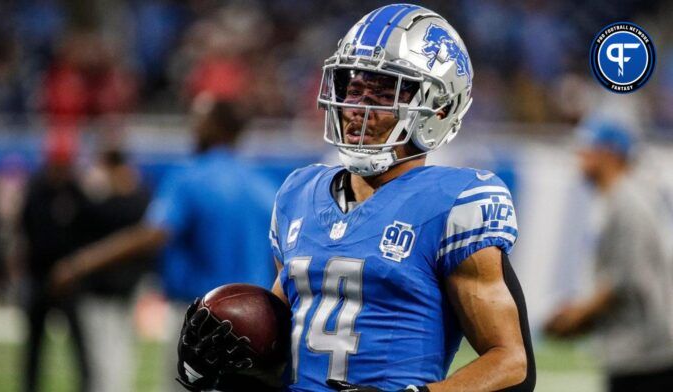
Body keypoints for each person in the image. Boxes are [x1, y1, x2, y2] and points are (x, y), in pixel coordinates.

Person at [176, 4, 535, 392]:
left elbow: (511, 362)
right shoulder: (299, 192)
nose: (357, 108)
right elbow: (285, 339)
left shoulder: (454, 202)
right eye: (354, 88)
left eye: (383, 93)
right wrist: (237, 360)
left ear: (438, 108)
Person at [50, 99, 277, 391]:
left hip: (201, 322)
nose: (193, 127)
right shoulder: (264, 185)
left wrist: (80, 264)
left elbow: (152, 235)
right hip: (254, 328)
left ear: (217, 127)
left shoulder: (190, 176)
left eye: (199, 120)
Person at [544, 118, 673, 391]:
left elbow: (625, 280)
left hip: (643, 355)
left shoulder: (627, 204)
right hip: (638, 350)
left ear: (609, 153)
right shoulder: (623, 199)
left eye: (587, 148)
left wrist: (577, 316)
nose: (580, 157)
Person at [19, 131, 91, 392]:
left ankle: (86, 385)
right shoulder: (36, 189)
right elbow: (26, 229)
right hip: (39, 276)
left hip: (70, 279)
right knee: (34, 346)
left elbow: (87, 229)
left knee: (80, 345)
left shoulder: (75, 190)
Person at [77, 148, 152, 392]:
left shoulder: (126, 199)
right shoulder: (138, 196)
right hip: (116, 288)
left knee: (108, 360)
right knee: (111, 359)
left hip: (112, 288)